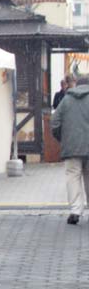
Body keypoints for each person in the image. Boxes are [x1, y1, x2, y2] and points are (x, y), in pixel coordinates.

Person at [50, 75, 89, 225]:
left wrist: (62, 138)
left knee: (73, 177)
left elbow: (54, 122)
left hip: (71, 147)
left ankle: (75, 211)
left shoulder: (66, 100)